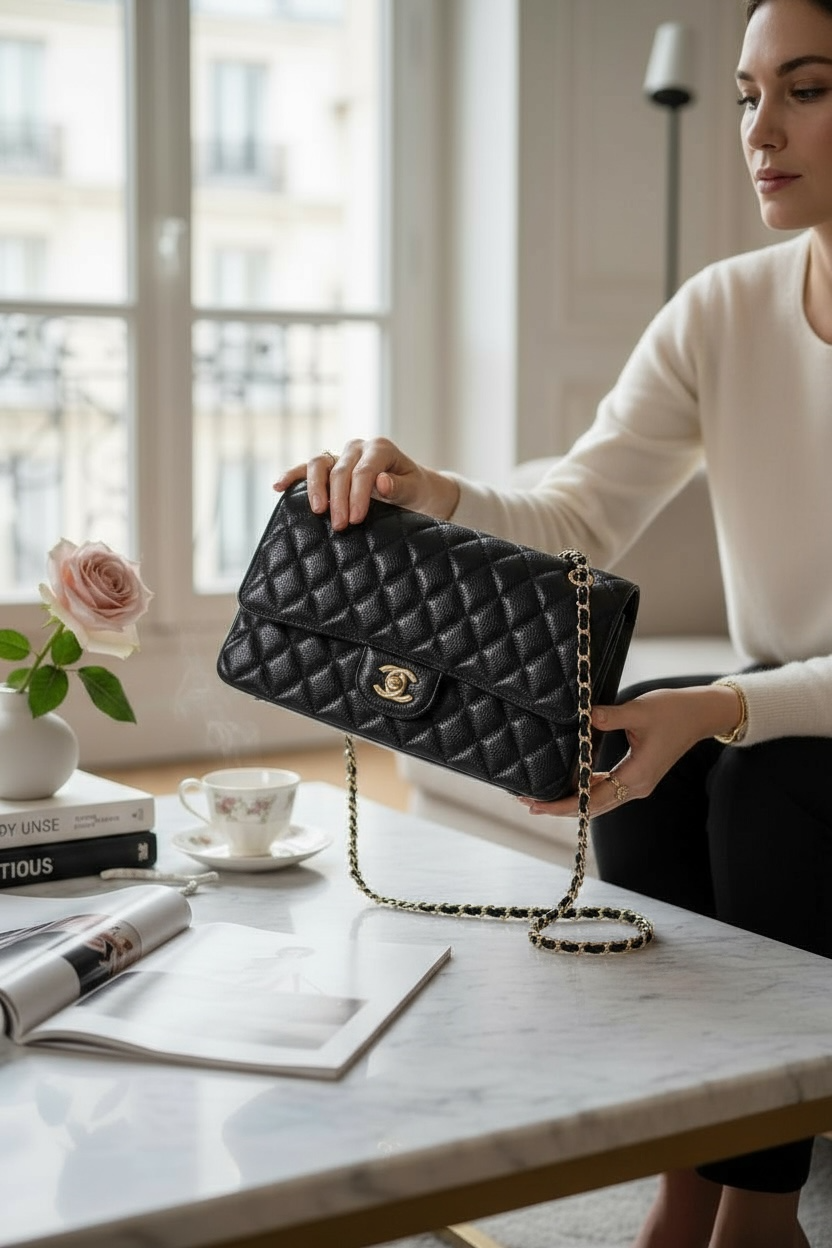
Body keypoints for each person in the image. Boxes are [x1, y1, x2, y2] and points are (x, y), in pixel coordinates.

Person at [275, 0, 832, 1243]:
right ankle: (689, 1180)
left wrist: (722, 708)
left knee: (758, 781)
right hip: (785, 699)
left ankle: (756, 1212)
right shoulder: (723, 307)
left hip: (801, 731)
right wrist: (439, 496)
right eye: (748, 95)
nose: (760, 129)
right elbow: (580, 512)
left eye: (806, 88)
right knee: (639, 754)